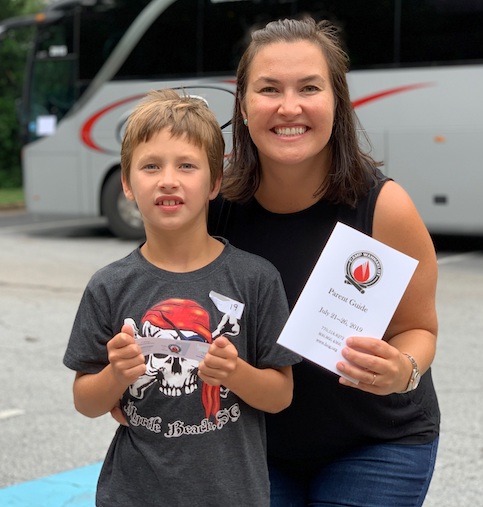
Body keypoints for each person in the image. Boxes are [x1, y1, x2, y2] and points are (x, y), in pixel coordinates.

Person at [208, 17, 440, 507]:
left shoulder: (384, 208)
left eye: (309, 88)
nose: (289, 107)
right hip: (255, 442)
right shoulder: (214, 208)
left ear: (336, 102)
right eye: (269, 88)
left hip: (376, 444)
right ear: (244, 107)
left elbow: (419, 328)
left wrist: (403, 369)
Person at [63, 88, 301, 507]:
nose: (168, 179)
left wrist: (234, 373)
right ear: (127, 184)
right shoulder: (109, 286)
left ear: (215, 183)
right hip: (131, 495)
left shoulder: (256, 279)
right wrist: (116, 374)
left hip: (234, 496)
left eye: (187, 165)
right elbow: (85, 400)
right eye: (150, 165)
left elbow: (281, 395)